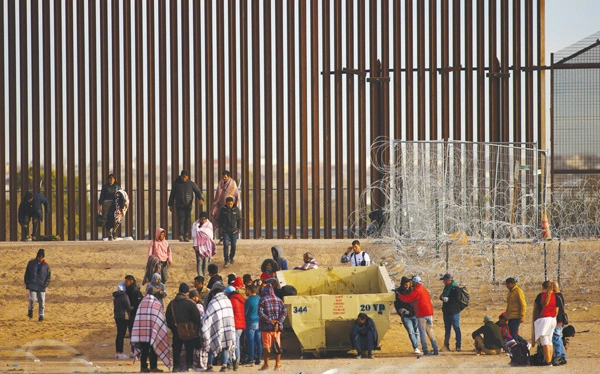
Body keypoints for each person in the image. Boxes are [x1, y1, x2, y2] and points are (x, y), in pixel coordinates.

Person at [397, 276, 439, 355]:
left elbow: (407, 299)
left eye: (412, 282)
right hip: (429, 313)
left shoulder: (417, 290)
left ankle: (425, 350)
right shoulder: (424, 289)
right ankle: (435, 349)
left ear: (415, 282)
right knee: (430, 331)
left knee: (422, 332)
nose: (411, 283)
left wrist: (399, 296)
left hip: (421, 313)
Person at [131, 292, 171, 372]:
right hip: (153, 331)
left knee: (144, 350)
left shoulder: (142, 303)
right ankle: (153, 367)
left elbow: (138, 317)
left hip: (142, 332)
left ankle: (143, 367)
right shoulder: (156, 304)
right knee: (153, 348)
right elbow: (159, 318)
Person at [166, 283, 202, 372]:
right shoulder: (190, 303)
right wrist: (196, 328)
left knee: (176, 349)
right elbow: (197, 317)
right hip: (189, 330)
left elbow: (168, 317)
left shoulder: (172, 303)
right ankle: (189, 366)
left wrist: (173, 328)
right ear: (187, 292)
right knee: (189, 348)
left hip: (176, 329)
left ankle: (176, 366)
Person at [201, 282, 236, 372]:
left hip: (216, 327)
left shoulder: (213, 302)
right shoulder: (228, 301)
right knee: (226, 345)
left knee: (212, 343)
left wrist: (205, 329)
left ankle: (210, 365)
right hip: (227, 327)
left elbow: (208, 316)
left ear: (213, 293)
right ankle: (224, 365)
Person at [168, 169, 205, 242]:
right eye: (183, 177)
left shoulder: (191, 184)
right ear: (181, 176)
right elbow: (172, 194)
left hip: (188, 205)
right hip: (179, 205)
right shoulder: (176, 184)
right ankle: (181, 235)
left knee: (187, 220)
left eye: (185, 177)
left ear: (188, 177)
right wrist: (170, 204)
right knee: (181, 219)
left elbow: (198, 191)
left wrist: (201, 198)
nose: (184, 178)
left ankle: (186, 235)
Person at [258, 283, 287, 371]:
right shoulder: (279, 300)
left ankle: (266, 364)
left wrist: (270, 320)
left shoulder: (262, 300)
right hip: (277, 328)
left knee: (267, 346)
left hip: (266, 327)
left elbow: (260, 313)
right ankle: (277, 365)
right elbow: (284, 312)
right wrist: (278, 321)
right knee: (277, 345)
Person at [533, 280, 558, 366]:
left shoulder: (540, 296)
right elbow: (556, 310)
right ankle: (550, 360)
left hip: (543, 320)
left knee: (544, 341)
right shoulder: (555, 296)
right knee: (549, 340)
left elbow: (535, 307)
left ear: (543, 287)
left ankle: (548, 362)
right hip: (553, 319)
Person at [24, 248, 51, 321]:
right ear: (37, 257)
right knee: (32, 299)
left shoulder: (46, 266)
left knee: (41, 302)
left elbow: (48, 276)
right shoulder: (31, 263)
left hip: (41, 286)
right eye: (39, 257)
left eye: (42, 257)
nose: (40, 259)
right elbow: (27, 273)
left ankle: (41, 315)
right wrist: (27, 282)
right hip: (32, 285)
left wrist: (45, 284)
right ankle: (30, 309)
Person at [395, 276, 420, 354]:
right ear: (402, 284)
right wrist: (401, 311)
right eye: (406, 284)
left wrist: (411, 311)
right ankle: (415, 346)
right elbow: (397, 304)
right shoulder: (398, 292)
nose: (407, 286)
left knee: (416, 331)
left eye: (408, 284)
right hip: (405, 316)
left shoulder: (412, 291)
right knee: (411, 331)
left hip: (414, 314)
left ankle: (417, 346)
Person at [438, 273, 462, 352]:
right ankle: (446, 346)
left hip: (454, 312)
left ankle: (458, 346)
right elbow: (442, 296)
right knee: (447, 330)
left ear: (449, 280)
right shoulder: (446, 288)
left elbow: (457, 299)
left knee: (456, 329)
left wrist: (447, 299)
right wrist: (443, 298)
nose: (443, 282)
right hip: (446, 312)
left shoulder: (456, 288)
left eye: (444, 280)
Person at [225, 285, 246, 371]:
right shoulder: (241, 299)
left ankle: (230, 362)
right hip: (241, 325)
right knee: (237, 344)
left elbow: (229, 312)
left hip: (234, 324)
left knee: (231, 344)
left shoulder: (232, 300)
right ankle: (236, 362)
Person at [504, 277, 529, 346]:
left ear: (510, 284)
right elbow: (509, 305)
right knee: (512, 332)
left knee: (514, 332)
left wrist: (522, 315)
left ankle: (518, 346)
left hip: (516, 315)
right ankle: (524, 343)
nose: (506, 286)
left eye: (507, 284)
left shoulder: (518, 291)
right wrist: (506, 316)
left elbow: (523, 304)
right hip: (510, 316)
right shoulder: (510, 292)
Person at [218, 196, 242, 267]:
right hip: (226, 231)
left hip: (234, 231)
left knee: (233, 245)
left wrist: (239, 228)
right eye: (228, 204)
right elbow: (220, 220)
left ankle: (231, 257)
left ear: (233, 203)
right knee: (225, 245)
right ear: (226, 203)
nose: (230, 205)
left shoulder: (236, 210)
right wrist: (221, 228)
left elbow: (239, 220)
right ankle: (226, 260)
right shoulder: (223, 210)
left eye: (231, 204)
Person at [191, 212, 217, 277]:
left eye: (204, 219)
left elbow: (210, 235)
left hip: (207, 246)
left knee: (205, 262)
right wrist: (199, 233)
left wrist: (200, 233)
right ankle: (200, 276)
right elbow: (193, 235)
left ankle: (203, 274)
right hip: (198, 246)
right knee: (199, 261)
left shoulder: (209, 225)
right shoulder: (195, 224)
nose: (202, 221)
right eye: (201, 219)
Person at [189, 289, 208, 371]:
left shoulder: (199, 306)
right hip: (198, 330)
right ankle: (200, 364)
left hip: (198, 330)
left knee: (199, 347)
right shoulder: (197, 305)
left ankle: (199, 364)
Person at [113, 282, 132, 359]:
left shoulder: (116, 296)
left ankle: (118, 352)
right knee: (121, 334)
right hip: (123, 317)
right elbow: (128, 307)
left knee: (119, 335)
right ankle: (120, 353)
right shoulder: (124, 296)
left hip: (117, 317)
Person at [244, 284, 262, 366]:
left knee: (250, 341)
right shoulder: (259, 299)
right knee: (258, 341)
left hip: (250, 322)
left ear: (250, 291)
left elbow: (245, 312)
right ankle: (259, 358)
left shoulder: (249, 300)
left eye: (246, 290)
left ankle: (251, 358)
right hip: (259, 321)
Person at [98, 174, 119, 240]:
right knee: (107, 219)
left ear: (114, 179)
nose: (111, 180)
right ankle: (109, 234)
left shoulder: (117, 187)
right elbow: (102, 196)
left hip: (115, 205)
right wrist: (100, 205)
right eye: (110, 178)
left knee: (115, 219)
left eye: (113, 178)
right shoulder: (105, 187)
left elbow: (121, 195)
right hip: (106, 205)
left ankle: (114, 232)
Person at [552, 281, 567, 366]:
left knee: (556, 338)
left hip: (558, 320)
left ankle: (558, 356)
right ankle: (562, 356)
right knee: (559, 338)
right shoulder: (560, 295)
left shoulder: (556, 297)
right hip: (560, 320)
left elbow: (556, 311)